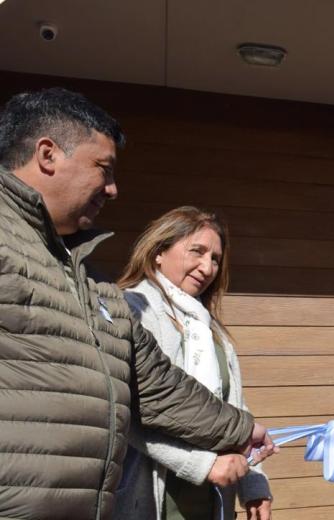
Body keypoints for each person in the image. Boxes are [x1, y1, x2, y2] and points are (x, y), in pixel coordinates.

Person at [0, 88, 276, 519]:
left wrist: (243, 430)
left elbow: (153, 386)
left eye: (216, 258)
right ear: (48, 154)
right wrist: (205, 462)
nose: (113, 189)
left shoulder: (90, 282)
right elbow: (137, 423)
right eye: (103, 169)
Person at [114, 207, 272, 519]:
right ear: (159, 252)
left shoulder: (210, 328)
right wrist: (202, 465)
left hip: (211, 500)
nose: (208, 266)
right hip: (151, 497)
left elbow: (237, 409)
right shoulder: (133, 310)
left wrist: (253, 483)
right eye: (196, 252)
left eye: (215, 258)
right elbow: (127, 411)